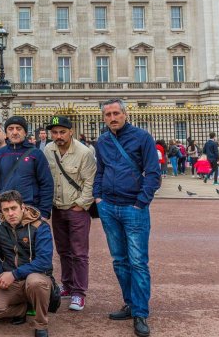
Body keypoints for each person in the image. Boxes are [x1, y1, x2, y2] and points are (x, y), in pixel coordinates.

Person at [94, 98, 160, 337]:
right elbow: (100, 171)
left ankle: (141, 312)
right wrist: (98, 197)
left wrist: (141, 202)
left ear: (125, 113)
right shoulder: (102, 140)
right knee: (119, 260)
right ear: (104, 118)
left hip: (134, 208)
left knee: (138, 262)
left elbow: (153, 173)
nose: (112, 118)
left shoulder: (142, 137)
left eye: (116, 113)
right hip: (109, 207)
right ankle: (130, 303)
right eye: (108, 114)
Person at [43, 116, 96, 312]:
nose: (58, 136)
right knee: (63, 250)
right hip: (57, 208)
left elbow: (90, 182)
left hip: (76, 209)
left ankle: (79, 292)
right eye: (55, 132)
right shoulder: (48, 149)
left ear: (70, 131)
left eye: (62, 132)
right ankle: (67, 284)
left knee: (79, 253)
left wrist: (81, 205)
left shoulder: (84, 152)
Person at [0, 190, 54, 337]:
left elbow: (44, 262)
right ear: (1, 211)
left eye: (14, 208)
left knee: (35, 282)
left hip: (36, 277)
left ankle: (41, 324)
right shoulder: (0, 226)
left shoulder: (40, 227)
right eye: (6, 210)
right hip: (12, 281)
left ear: (22, 207)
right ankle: (23, 308)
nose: (10, 213)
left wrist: (14, 274)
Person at [0, 116, 54, 219]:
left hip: (30, 210)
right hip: (6, 210)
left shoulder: (36, 154)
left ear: (25, 132)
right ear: (6, 133)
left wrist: (44, 212)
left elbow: (46, 184)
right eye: (11, 129)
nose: (15, 132)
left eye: (19, 128)